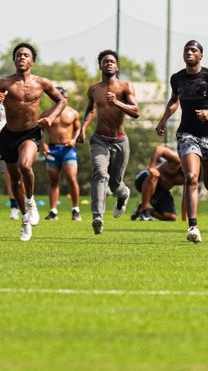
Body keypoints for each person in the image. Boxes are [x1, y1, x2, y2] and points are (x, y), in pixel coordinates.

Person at [0, 43, 66, 242]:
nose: (22, 57)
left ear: (32, 60)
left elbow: (61, 101)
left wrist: (52, 118)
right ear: (14, 59)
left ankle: (31, 201)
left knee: (25, 165)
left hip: (31, 133)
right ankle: (25, 220)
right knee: (15, 180)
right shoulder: (3, 83)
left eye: (26, 55)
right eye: (18, 55)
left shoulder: (41, 83)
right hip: (8, 135)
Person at [155, 40, 208, 244]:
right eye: (186, 50)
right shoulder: (177, 78)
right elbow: (174, 101)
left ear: (200, 55)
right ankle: (193, 226)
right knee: (190, 177)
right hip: (187, 134)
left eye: (194, 50)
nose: (189, 53)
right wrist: (163, 119)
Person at [78, 50, 139, 236]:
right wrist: (82, 128)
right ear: (100, 66)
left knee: (115, 184)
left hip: (120, 141)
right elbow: (90, 110)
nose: (109, 64)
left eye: (112, 61)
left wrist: (118, 103)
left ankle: (123, 195)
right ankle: (98, 217)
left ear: (117, 66)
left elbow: (136, 112)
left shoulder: (125, 87)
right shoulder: (94, 89)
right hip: (99, 139)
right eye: (105, 61)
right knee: (100, 172)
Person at [41, 88, 81, 221]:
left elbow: (78, 128)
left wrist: (74, 140)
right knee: (53, 181)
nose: (62, 100)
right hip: (52, 149)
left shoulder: (72, 113)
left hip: (67, 149)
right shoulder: (47, 113)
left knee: (71, 178)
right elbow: (39, 130)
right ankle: (53, 211)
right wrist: (43, 144)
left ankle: (75, 209)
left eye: (64, 97)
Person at [131, 144, 186, 221]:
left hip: (161, 191)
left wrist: (185, 219)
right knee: (154, 176)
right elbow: (159, 149)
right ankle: (143, 211)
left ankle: (142, 209)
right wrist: (152, 167)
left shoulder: (189, 176)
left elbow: (186, 196)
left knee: (171, 217)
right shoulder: (177, 160)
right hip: (145, 179)